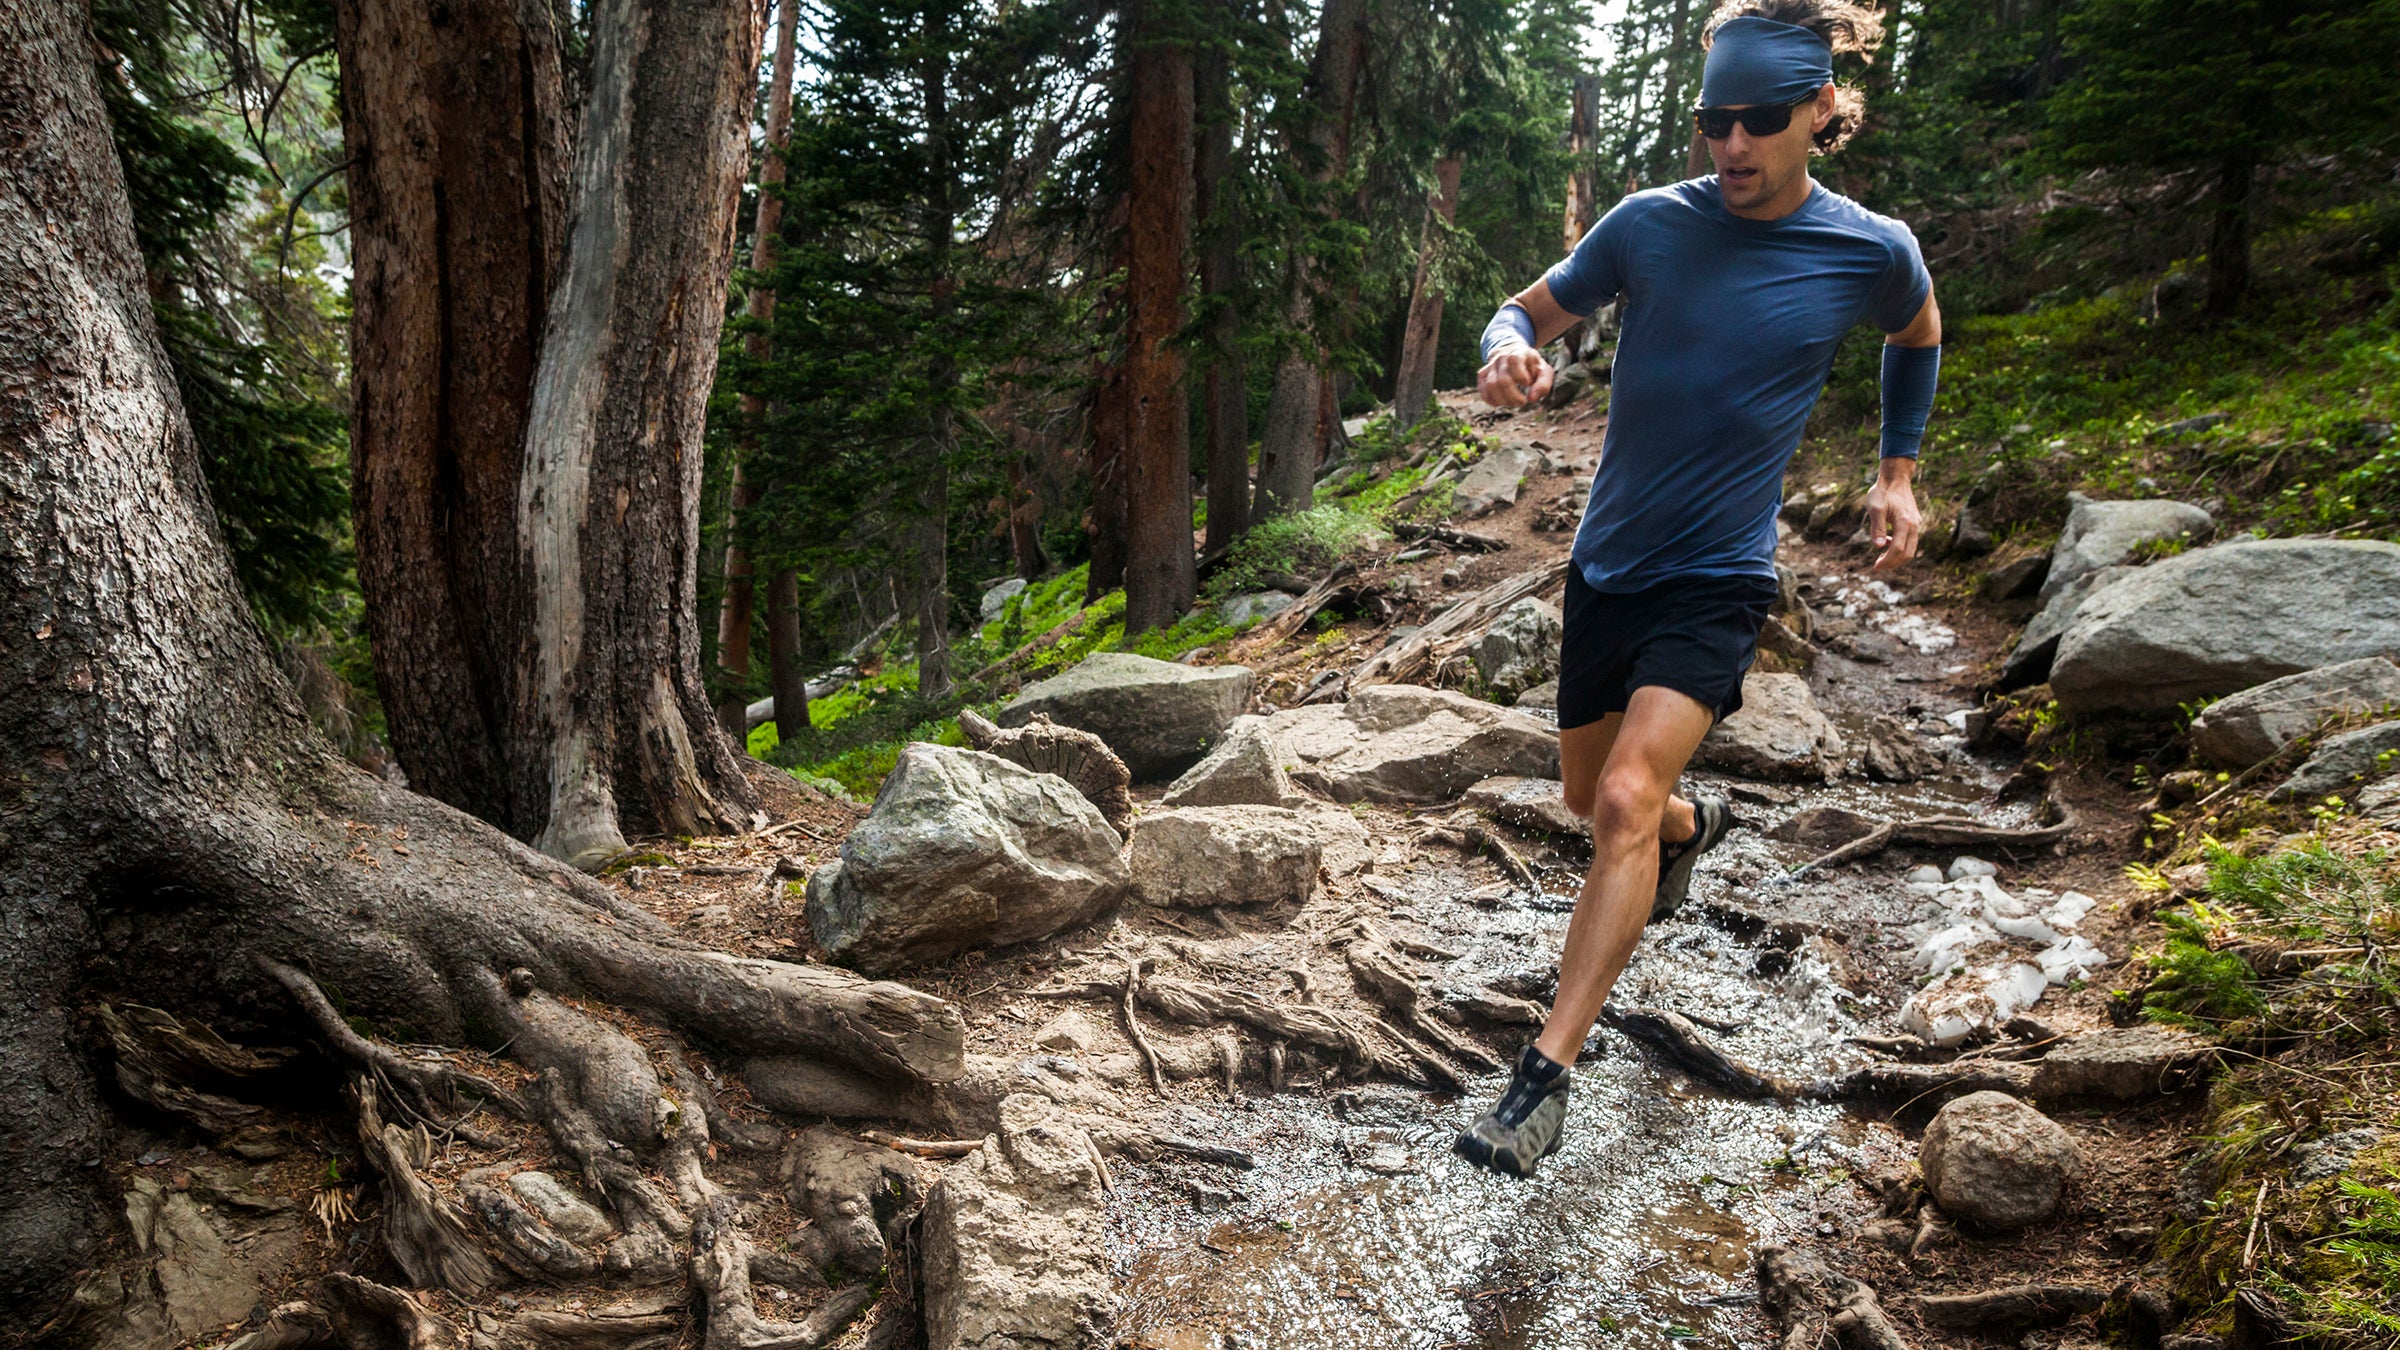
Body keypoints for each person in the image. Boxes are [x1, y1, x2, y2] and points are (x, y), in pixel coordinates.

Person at [1453, 0, 1942, 1178]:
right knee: (1595, 801)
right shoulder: (1646, 228)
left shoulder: (1871, 249)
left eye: (1759, 120)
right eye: (1714, 121)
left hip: (1721, 575)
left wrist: (1897, 473)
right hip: (1609, 565)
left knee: (1620, 797)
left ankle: (1543, 1079)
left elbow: (1916, 334)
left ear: (1820, 112)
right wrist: (1502, 351)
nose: (1732, 145)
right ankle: (1693, 827)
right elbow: (1525, 308)